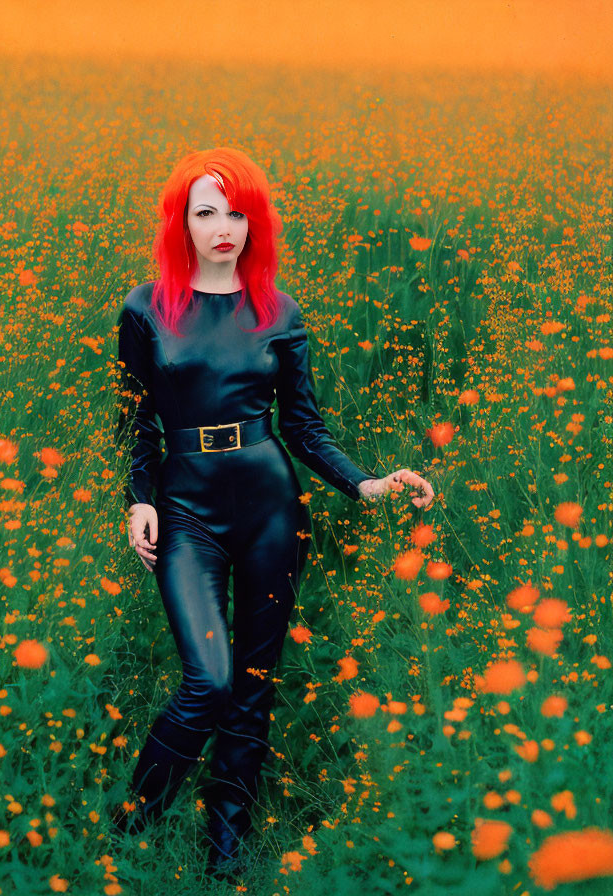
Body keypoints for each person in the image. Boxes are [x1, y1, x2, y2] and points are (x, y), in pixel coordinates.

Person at [113, 147, 434, 878]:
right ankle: (132, 828)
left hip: (269, 506)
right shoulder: (143, 307)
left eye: (237, 213)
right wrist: (139, 499)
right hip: (186, 507)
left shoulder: (278, 310)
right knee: (210, 680)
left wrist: (366, 485)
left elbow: (306, 428)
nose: (223, 227)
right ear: (180, 221)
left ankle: (225, 849)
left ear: (255, 222)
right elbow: (134, 420)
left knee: (253, 683)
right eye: (206, 212)